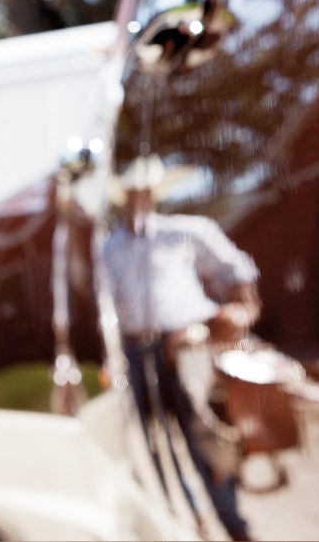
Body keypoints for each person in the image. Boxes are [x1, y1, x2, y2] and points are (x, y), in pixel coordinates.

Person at [97, 155, 259, 541]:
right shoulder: (106, 249)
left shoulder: (186, 232)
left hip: (185, 348)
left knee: (204, 435)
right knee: (148, 446)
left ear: (154, 195)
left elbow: (239, 270)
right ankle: (181, 524)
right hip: (134, 354)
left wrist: (238, 314)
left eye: (145, 192)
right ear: (123, 197)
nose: (139, 199)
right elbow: (101, 308)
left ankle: (233, 526)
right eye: (132, 193)